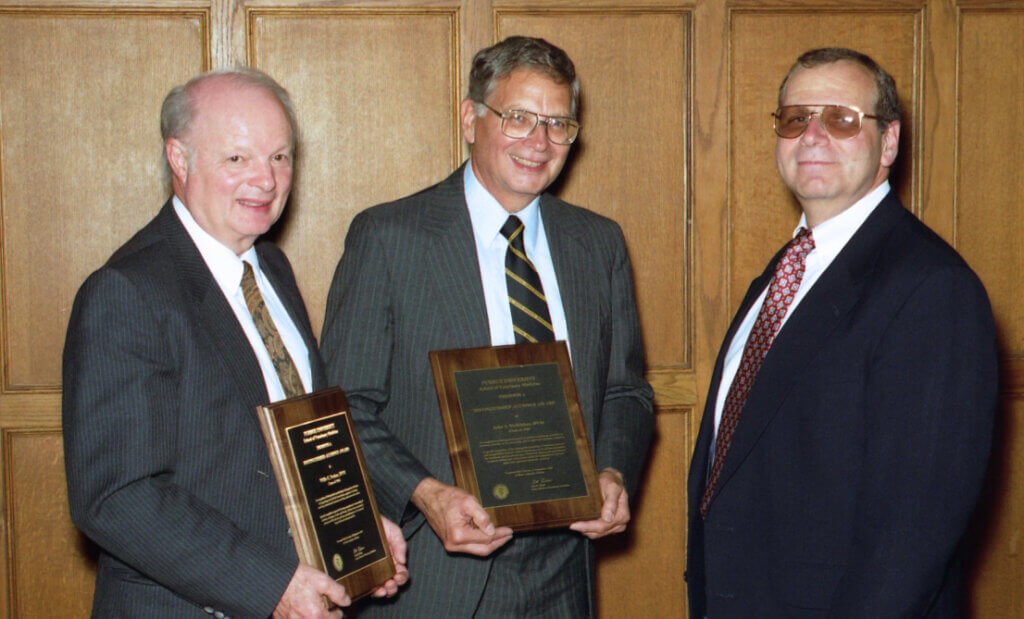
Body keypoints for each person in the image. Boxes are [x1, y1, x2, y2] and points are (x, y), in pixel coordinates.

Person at [321, 36, 654, 616]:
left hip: (562, 575)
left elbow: (626, 391)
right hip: (434, 575)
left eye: (559, 123)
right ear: (470, 119)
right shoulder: (389, 238)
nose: (541, 142)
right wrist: (427, 495)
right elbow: (345, 404)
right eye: (519, 118)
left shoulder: (597, 243)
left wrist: (612, 470)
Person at [63, 68, 407, 618]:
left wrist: (354, 529)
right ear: (179, 160)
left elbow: (295, 440)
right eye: (237, 159)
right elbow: (116, 497)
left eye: (280, 156)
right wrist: (271, 585)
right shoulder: (126, 291)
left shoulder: (270, 265)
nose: (267, 180)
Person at [686, 48, 998, 617]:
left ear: (889, 143)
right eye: (795, 118)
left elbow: (909, 539)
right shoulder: (781, 274)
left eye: (841, 119)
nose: (812, 135)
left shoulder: (933, 288)